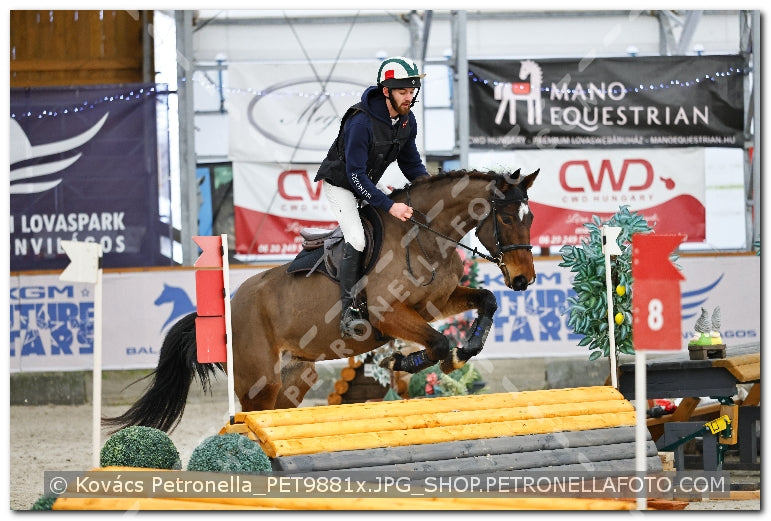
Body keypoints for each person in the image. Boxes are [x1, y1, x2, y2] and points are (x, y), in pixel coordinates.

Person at [315, 56, 430, 338]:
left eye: (411, 91)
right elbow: (354, 174)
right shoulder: (361, 122)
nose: (409, 97)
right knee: (357, 238)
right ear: (386, 91)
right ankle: (348, 312)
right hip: (342, 185)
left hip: (365, 184)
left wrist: (432, 188)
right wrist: (389, 205)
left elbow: (411, 164)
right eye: (402, 91)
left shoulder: (407, 121)